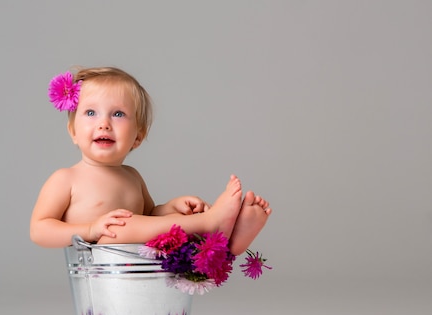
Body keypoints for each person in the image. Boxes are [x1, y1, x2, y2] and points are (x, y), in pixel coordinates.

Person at [30, 66, 271, 255]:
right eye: (90, 113)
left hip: (143, 259)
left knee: (173, 226)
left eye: (118, 114)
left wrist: (170, 208)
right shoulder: (66, 179)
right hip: (101, 260)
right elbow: (39, 229)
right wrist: (90, 230)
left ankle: (226, 242)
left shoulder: (132, 176)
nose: (104, 123)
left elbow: (149, 217)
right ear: (73, 131)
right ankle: (208, 222)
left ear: (137, 137)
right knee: (117, 229)